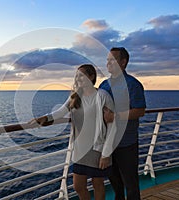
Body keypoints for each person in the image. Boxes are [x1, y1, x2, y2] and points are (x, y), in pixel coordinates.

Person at [30, 64, 117, 200]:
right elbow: (61, 111)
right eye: (76, 76)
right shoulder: (75, 97)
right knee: (78, 186)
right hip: (80, 149)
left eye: (81, 75)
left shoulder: (102, 96)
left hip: (97, 148)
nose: (78, 78)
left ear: (92, 76)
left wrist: (106, 153)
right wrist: (45, 118)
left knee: (97, 183)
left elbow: (112, 126)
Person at [99, 47, 146, 200]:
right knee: (115, 184)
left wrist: (115, 116)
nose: (108, 63)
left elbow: (139, 111)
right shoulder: (103, 85)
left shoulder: (133, 85)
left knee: (130, 184)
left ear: (123, 62)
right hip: (108, 144)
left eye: (112, 60)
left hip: (126, 143)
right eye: (107, 60)